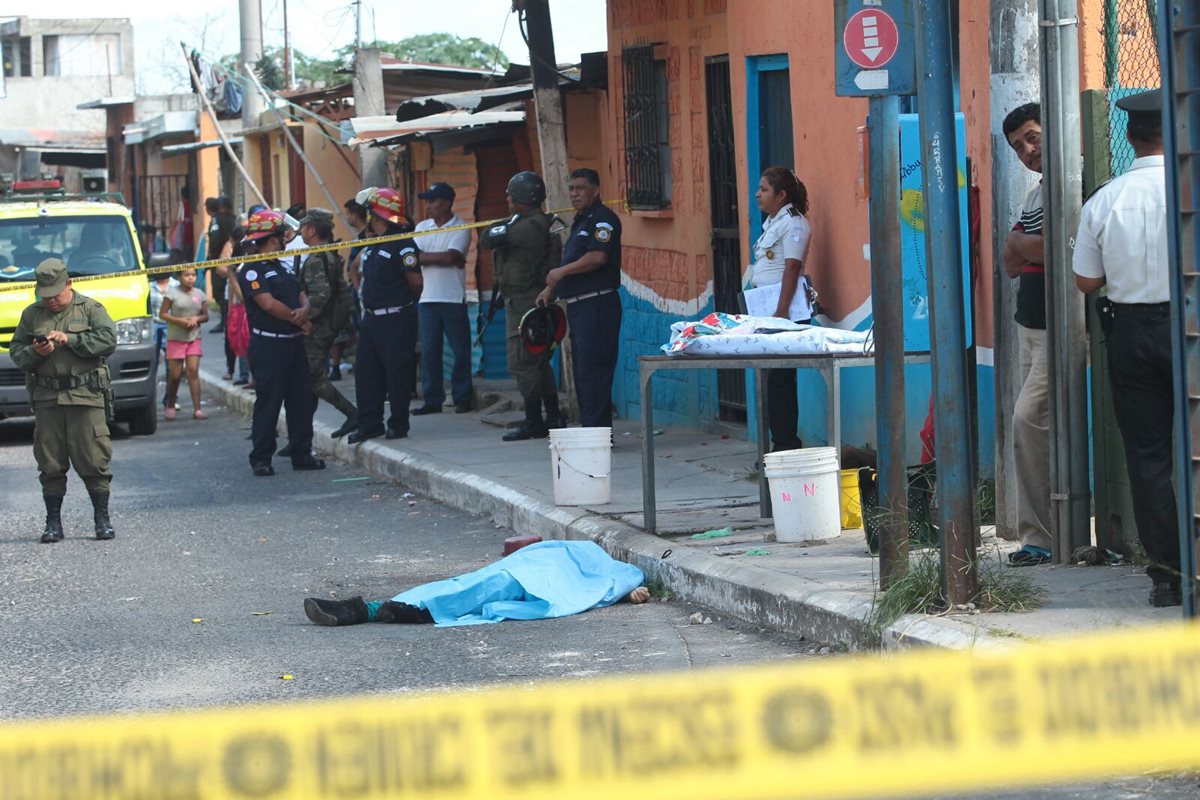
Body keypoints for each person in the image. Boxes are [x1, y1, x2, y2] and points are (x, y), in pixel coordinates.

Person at [1073, 89, 1179, 607]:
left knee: (1148, 456)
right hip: (1190, 326)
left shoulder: (1104, 200)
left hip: (1131, 332)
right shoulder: (1190, 188)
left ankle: (1167, 576)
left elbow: (1086, 281)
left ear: (1131, 137)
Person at [9, 259, 117, 542]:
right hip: (48, 399)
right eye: (45, 295)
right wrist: (37, 353)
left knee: (94, 459)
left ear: (69, 283)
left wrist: (71, 340)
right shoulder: (32, 315)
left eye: (55, 294)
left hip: (85, 396)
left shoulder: (91, 309)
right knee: (50, 463)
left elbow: (108, 340)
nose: (51, 301)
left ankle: (102, 519)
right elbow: (17, 353)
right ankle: (53, 523)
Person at [303, 539, 649, 627]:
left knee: (475, 589)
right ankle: (373, 609)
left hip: (525, 579)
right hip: (523, 570)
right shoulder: (583, 551)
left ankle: (372, 610)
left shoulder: (618, 572)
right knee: (472, 585)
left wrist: (623, 592)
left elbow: (612, 586)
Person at [998, 103, 1054, 567]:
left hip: (1061, 331)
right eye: (1018, 146)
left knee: (1026, 420)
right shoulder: (1035, 196)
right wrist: (1028, 246)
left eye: (1032, 138)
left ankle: (1043, 537)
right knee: (1035, 429)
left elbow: (1061, 250)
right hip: (1029, 328)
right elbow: (1011, 261)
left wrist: (1024, 244)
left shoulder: (1072, 181)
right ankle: (1044, 535)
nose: (1027, 150)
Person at [236, 210, 325, 476]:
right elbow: (268, 304)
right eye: (282, 234)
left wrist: (305, 309)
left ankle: (302, 453)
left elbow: (300, 294)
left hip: (293, 343)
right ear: (273, 238)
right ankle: (261, 458)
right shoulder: (251, 270)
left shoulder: (281, 266)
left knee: (300, 401)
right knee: (269, 402)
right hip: (269, 345)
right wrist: (298, 318)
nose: (287, 238)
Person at [481, 170, 564, 440]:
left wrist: (506, 222)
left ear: (522, 198)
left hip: (525, 301)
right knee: (539, 361)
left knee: (522, 362)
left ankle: (534, 420)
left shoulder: (527, 227)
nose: (506, 197)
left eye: (511, 194)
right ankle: (552, 416)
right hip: (533, 298)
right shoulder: (540, 222)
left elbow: (486, 238)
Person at [536, 168, 622, 428]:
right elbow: (572, 260)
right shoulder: (580, 221)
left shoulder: (602, 220)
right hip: (578, 305)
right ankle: (592, 431)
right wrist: (551, 288)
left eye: (580, 188)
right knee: (583, 373)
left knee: (593, 372)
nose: (574, 194)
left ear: (595, 190)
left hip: (597, 304)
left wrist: (560, 272)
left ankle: (595, 435)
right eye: (571, 188)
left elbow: (597, 258)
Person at [348, 188, 422, 444]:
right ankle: (370, 423)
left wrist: (403, 305)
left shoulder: (402, 241)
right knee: (367, 373)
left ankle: (398, 424)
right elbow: (355, 268)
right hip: (371, 319)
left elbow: (415, 282)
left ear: (377, 214)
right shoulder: (372, 240)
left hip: (395, 317)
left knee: (397, 373)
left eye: (369, 212)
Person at [749, 166, 813, 453]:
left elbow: (792, 266)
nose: (757, 194)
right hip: (767, 309)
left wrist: (781, 312)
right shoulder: (773, 222)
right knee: (771, 380)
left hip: (783, 311)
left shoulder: (794, 223)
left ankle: (786, 446)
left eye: (764, 189)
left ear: (782, 194)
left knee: (780, 381)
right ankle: (779, 444)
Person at [412, 182, 474, 415]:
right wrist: (436, 257)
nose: (428, 206)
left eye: (433, 201)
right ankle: (432, 399)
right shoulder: (422, 226)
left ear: (447, 203)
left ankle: (463, 396)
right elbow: (412, 257)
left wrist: (424, 257)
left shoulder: (461, 227)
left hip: (452, 297)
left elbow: (452, 257)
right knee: (429, 351)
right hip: (427, 298)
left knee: (460, 351)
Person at [295, 208, 357, 439]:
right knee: (308, 379)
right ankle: (301, 433)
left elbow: (320, 295)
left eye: (303, 227)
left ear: (311, 230)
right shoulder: (328, 254)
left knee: (313, 378)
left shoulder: (315, 259)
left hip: (318, 327)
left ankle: (351, 413)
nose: (300, 230)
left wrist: (305, 319)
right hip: (329, 323)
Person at [158, 267, 209, 421]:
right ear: (179, 277)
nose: (190, 278)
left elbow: (206, 315)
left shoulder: (200, 294)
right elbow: (163, 314)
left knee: (193, 371)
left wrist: (197, 319)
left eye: (193, 275)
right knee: (175, 374)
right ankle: (171, 404)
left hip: (194, 337)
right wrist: (179, 321)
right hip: (176, 338)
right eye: (186, 275)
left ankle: (197, 409)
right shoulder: (172, 293)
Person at [206, 196, 236, 333]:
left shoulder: (216, 220)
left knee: (219, 291)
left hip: (220, 259)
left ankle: (225, 320)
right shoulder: (234, 219)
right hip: (231, 258)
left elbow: (215, 240)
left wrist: (211, 259)